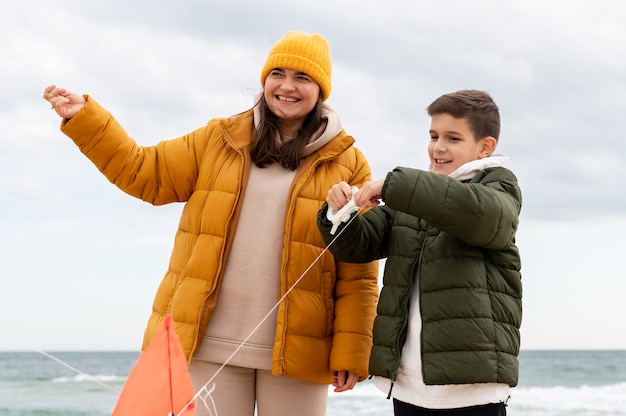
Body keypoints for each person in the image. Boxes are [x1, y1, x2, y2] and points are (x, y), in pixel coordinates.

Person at [43, 31, 379, 416]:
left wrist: (353, 350)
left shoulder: (349, 162)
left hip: (299, 351)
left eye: (302, 78)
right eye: (277, 74)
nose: (287, 86)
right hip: (208, 343)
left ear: (321, 90)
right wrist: (84, 119)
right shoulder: (218, 139)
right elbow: (143, 172)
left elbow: (358, 267)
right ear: (264, 80)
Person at [318, 89, 522, 416]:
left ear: (485, 146)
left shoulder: (499, 186)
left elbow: (481, 216)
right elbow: (358, 245)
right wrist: (337, 212)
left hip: (471, 389)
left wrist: (397, 186)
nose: (438, 146)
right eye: (433, 135)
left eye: (453, 138)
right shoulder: (414, 197)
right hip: (409, 387)